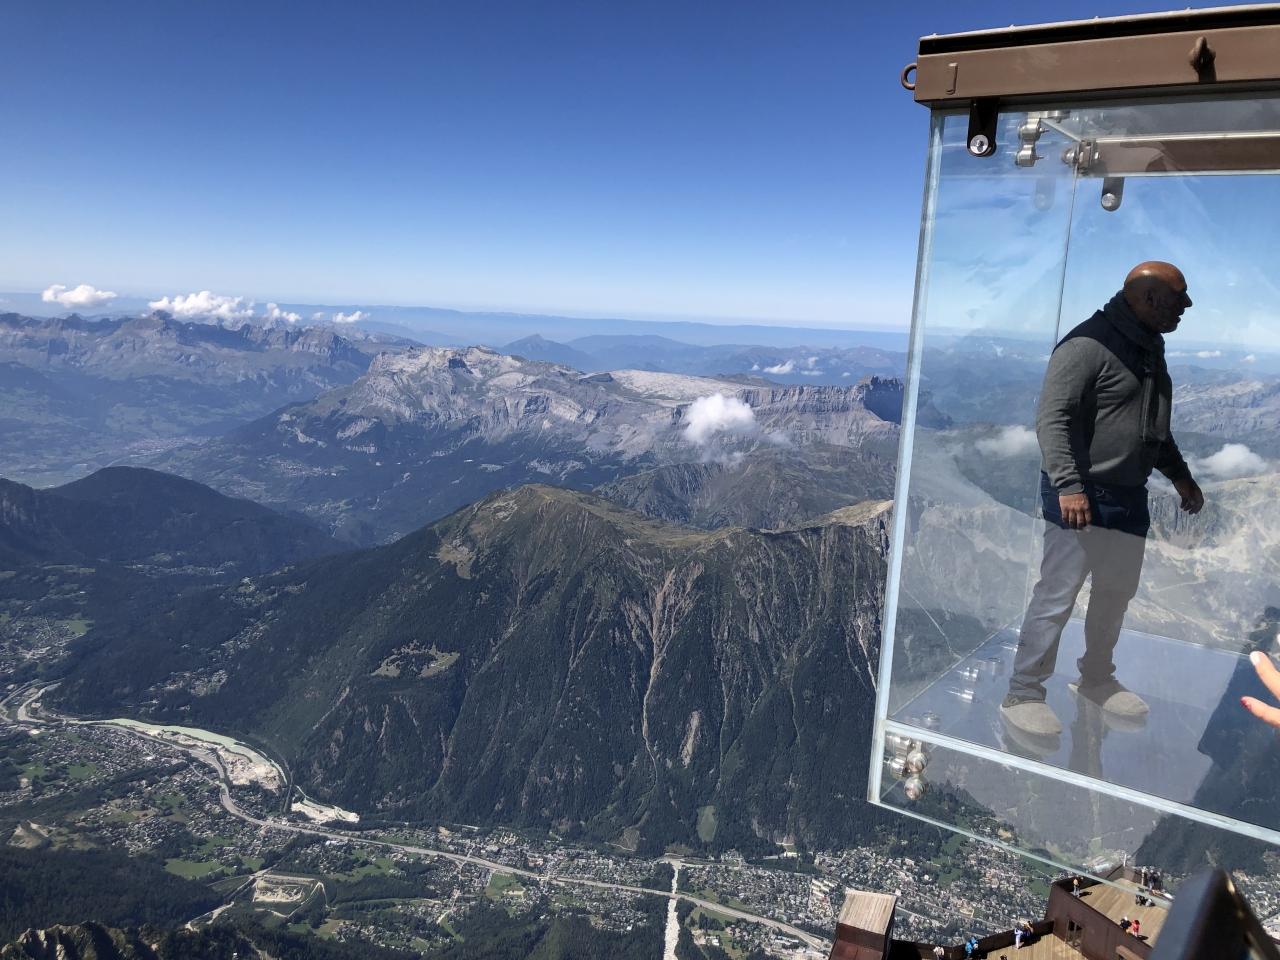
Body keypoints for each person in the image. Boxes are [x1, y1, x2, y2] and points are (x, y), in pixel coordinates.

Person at [1002, 262, 1204, 737]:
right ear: (1149, 298)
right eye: (1178, 297)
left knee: (1115, 594)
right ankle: (1023, 692)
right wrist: (1069, 487)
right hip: (1082, 496)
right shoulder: (1087, 344)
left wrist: (1180, 477)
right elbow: (1052, 418)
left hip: (1128, 497)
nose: (1186, 306)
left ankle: (1096, 678)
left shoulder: (1147, 348)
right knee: (1057, 595)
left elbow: (1152, 429)